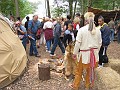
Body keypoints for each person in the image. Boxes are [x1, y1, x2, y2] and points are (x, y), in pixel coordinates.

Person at [70, 12, 102, 90]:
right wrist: (96, 52)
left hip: (84, 55)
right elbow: (100, 43)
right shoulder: (98, 30)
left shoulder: (82, 30)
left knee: (79, 71)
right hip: (94, 55)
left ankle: (76, 86)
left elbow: (77, 43)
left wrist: (74, 53)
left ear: (86, 20)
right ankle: (87, 86)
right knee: (89, 71)